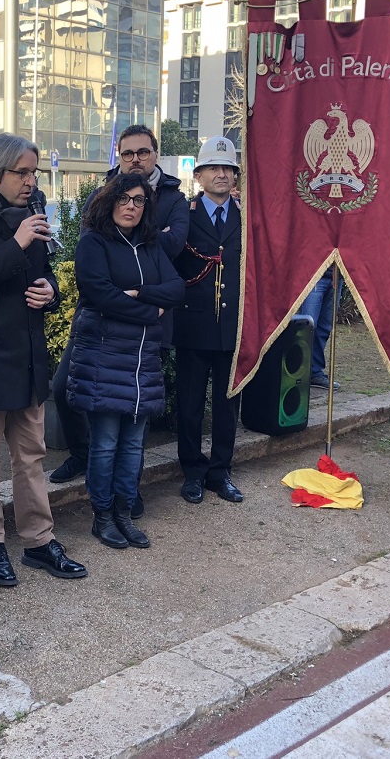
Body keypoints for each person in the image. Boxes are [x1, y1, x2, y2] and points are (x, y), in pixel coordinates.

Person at [0, 133, 88, 586]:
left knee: (31, 455)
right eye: (22, 172)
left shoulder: (32, 215)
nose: (31, 181)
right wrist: (15, 244)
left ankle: (38, 540)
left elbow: (44, 274)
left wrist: (50, 291)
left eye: (33, 172)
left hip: (28, 357)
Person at [50, 124, 189, 506]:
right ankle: (85, 458)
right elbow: (96, 267)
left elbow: (172, 245)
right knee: (66, 389)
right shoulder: (102, 196)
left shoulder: (174, 197)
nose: (135, 159)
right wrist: (146, 301)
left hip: (145, 328)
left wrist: (141, 286)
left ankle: (128, 490)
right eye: (128, 153)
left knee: (133, 412)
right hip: (103, 324)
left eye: (143, 152)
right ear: (119, 156)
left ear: (155, 154)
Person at [67, 173, 184, 549]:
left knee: (133, 446)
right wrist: (151, 311)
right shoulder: (93, 242)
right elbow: (100, 295)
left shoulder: (150, 245)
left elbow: (176, 288)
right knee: (104, 444)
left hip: (141, 362)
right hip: (104, 358)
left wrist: (141, 292)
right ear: (110, 200)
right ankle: (102, 517)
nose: (131, 206)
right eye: (124, 198)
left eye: (139, 200)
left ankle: (123, 512)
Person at [172, 136, 244, 505]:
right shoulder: (184, 216)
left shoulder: (246, 218)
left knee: (228, 404)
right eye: (213, 168)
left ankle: (220, 472)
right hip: (193, 324)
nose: (221, 174)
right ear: (198, 176)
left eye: (227, 168)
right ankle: (192, 471)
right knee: (190, 404)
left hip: (232, 326)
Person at [301, 267, 343, 391]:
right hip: (315, 274)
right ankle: (299, 372)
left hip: (337, 277)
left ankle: (314, 372)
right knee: (307, 327)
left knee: (324, 328)